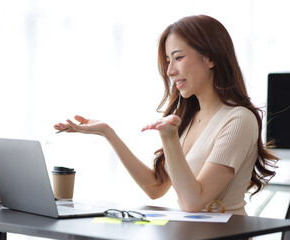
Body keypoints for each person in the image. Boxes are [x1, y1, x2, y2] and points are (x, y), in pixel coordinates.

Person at [53, 15, 278, 215]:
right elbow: (156, 188)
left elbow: (193, 202)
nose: (170, 71)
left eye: (178, 58)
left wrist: (169, 137)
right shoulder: (189, 119)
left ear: (210, 58)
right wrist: (108, 133)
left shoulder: (239, 119)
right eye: (168, 61)